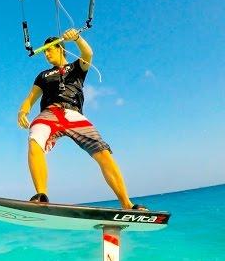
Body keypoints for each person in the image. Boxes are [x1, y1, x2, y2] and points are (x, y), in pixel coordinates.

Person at [17, 28, 147, 210]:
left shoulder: (77, 67)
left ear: (61, 49)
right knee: (34, 141)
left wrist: (77, 38)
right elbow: (30, 98)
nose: (46, 54)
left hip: (73, 114)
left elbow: (88, 52)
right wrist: (23, 111)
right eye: (44, 51)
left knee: (103, 153)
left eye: (49, 50)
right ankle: (41, 195)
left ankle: (126, 204)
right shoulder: (42, 76)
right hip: (49, 113)